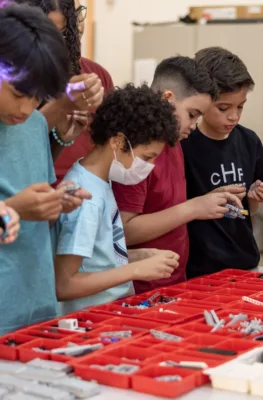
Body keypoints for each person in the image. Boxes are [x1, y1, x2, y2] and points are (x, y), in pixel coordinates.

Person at [113, 56, 243, 294]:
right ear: (168, 100)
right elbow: (123, 232)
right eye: (192, 114)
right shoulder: (138, 152)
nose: (194, 125)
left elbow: (166, 204)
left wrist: (208, 200)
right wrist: (194, 208)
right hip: (140, 289)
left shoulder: (174, 141)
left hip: (172, 283)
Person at [0, 3, 90, 334]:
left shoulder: (35, 123)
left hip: (34, 301)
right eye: (19, 93)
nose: (27, 107)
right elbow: (14, 205)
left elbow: (33, 193)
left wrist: (56, 201)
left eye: (37, 96)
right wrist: (12, 210)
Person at [54, 84, 181, 313]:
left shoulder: (100, 181)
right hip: (88, 322)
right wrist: (136, 271)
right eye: (147, 157)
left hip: (108, 314)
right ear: (118, 141)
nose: (150, 167)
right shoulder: (85, 196)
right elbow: (65, 284)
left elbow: (94, 259)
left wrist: (138, 257)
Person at [182, 47, 263, 278]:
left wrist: (253, 199)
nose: (233, 116)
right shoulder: (184, 143)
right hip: (198, 268)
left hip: (244, 262)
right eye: (223, 108)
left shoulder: (249, 141)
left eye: (240, 106)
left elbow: (248, 211)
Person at [15, 0, 110, 182]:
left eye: (63, 34)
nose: (54, 45)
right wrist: (61, 106)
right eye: (44, 34)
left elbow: (37, 164)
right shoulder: (14, 72)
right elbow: (14, 144)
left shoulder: (89, 73)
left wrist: (61, 139)